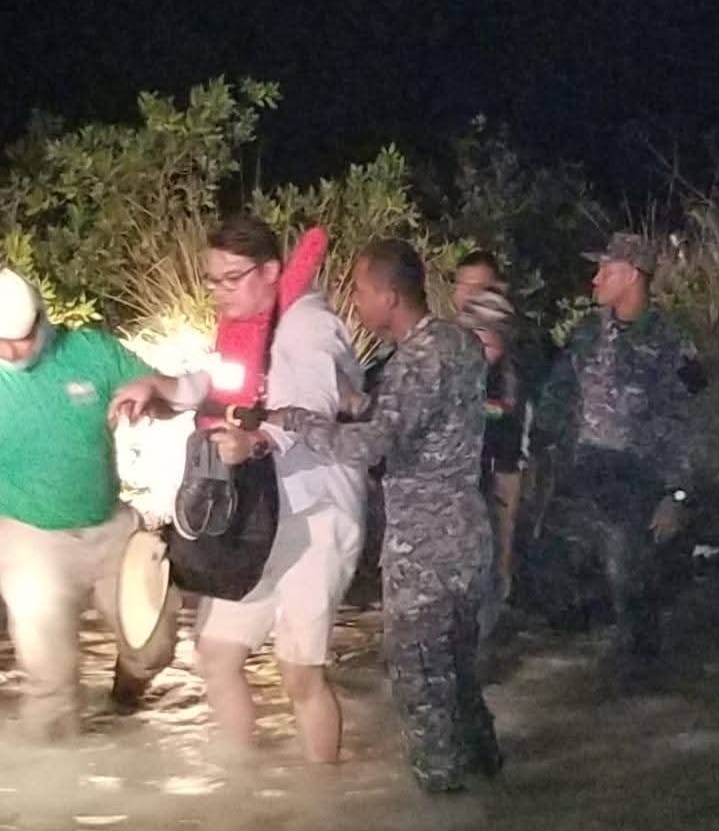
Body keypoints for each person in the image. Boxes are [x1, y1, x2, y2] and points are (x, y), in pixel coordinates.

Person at [111, 216, 366, 763]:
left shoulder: (309, 325)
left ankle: (320, 813)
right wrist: (157, 388)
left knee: (299, 671)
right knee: (216, 654)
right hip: (254, 515)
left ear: (271, 271)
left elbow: (314, 408)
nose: (220, 292)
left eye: (232, 278)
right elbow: (214, 385)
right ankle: (238, 789)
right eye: (213, 280)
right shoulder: (240, 324)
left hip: (316, 513)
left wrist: (253, 441)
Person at [270, 238, 501, 793]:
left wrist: (297, 418)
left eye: (361, 290)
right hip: (470, 539)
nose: (356, 301)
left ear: (390, 297)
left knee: (422, 692)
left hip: (425, 552)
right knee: (460, 683)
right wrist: (360, 402)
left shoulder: (414, 362)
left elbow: (369, 448)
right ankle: (499, 808)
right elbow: (424, 421)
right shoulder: (458, 344)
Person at [0, 267, 177, 740]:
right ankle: (56, 803)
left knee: (156, 648)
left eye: (23, 336)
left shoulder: (92, 351)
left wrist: (153, 394)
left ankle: (125, 699)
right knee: (51, 686)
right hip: (29, 540)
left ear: (43, 318)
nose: (15, 351)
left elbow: (167, 395)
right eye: (2, 341)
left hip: (111, 526)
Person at [529, 233, 705, 673]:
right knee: (548, 575)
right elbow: (556, 398)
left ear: (631, 275)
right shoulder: (587, 334)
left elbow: (692, 419)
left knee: (630, 584)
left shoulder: (672, 341)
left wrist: (677, 496)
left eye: (605, 270)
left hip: (638, 480)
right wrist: (538, 454)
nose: (595, 278)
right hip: (582, 472)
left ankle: (638, 687)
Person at [457, 287, 526, 634]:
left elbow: (508, 473)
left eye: (492, 344)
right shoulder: (436, 374)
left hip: (480, 512)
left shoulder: (506, 392)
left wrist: (504, 557)